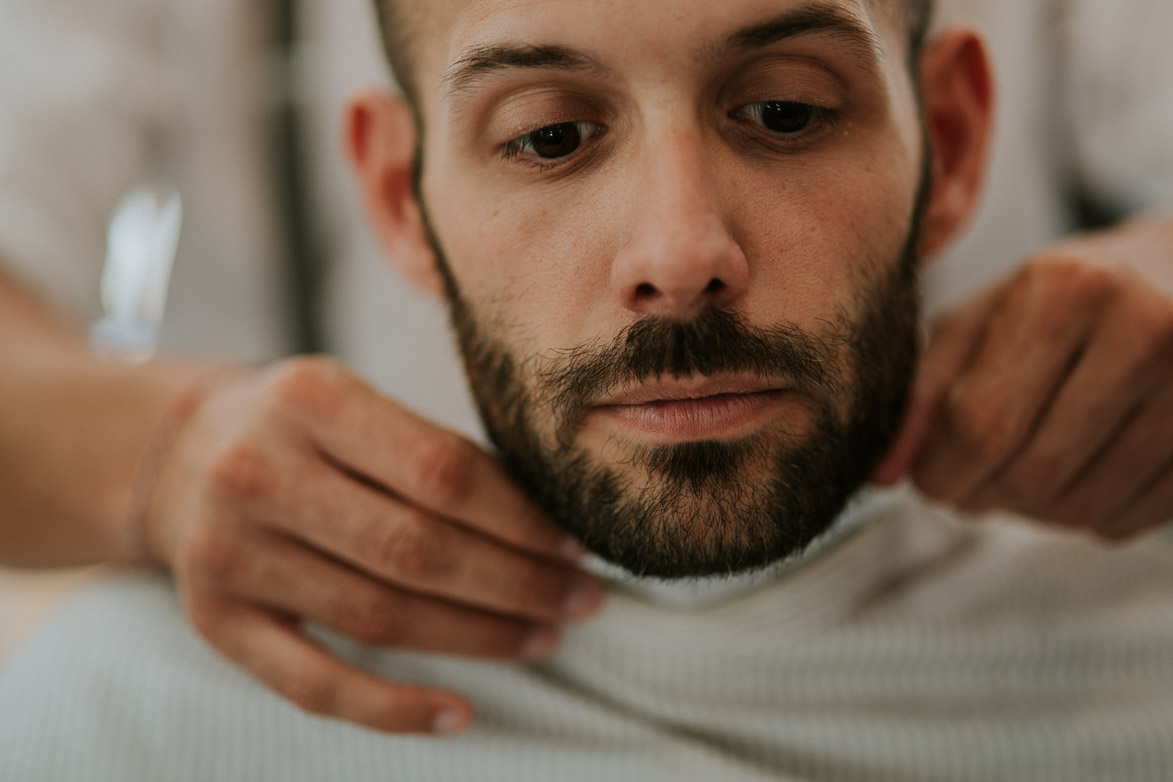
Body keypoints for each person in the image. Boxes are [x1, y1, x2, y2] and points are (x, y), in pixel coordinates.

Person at [1, 0, 1171, 779]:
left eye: (784, 112)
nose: (678, 251)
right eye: (551, 136)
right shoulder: (123, 722)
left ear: (953, 141)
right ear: (403, 195)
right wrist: (165, 450)